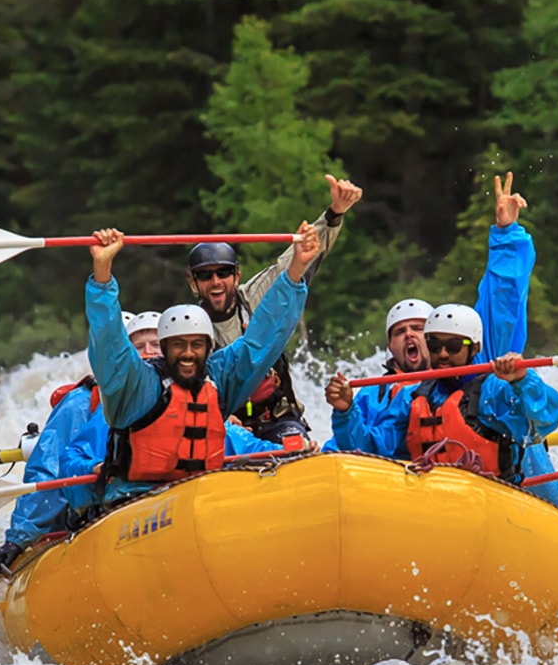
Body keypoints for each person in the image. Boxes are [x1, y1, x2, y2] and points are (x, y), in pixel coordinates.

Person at [86, 221, 319, 505]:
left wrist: (296, 269)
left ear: (209, 347)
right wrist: (103, 270)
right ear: (164, 348)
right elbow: (109, 341)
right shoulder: (137, 385)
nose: (188, 354)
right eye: (178, 345)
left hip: (202, 493)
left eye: (196, 345)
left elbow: (264, 336)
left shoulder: (218, 379)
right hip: (137, 499)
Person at [324, 305, 558, 510]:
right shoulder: (413, 397)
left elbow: (546, 419)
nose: (442, 354)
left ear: (474, 348)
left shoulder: (494, 390)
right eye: (434, 345)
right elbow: (370, 449)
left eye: (453, 346)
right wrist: (346, 411)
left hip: (495, 503)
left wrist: (522, 381)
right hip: (436, 506)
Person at [187, 173, 364, 447]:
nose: (216, 282)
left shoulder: (256, 296)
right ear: (193, 283)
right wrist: (219, 418)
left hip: (277, 419)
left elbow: (297, 261)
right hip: (224, 424)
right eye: (205, 275)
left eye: (223, 273)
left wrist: (334, 213)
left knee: (292, 443)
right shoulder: (189, 326)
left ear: (236, 276)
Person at [0, 312, 149, 575]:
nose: (148, 354)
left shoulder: (174, 392)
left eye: (155, 346)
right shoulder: (80, 404)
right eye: (138, 348)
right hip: (90, 513)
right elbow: (50, 471)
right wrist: (19, 539)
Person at [322, 297, 431, 455]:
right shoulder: (370, 392)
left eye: (417, 328)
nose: (409, 334)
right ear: (391, 347)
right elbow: (345, 447)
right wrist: (345, 411)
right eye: (400, 332)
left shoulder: (451, 384)